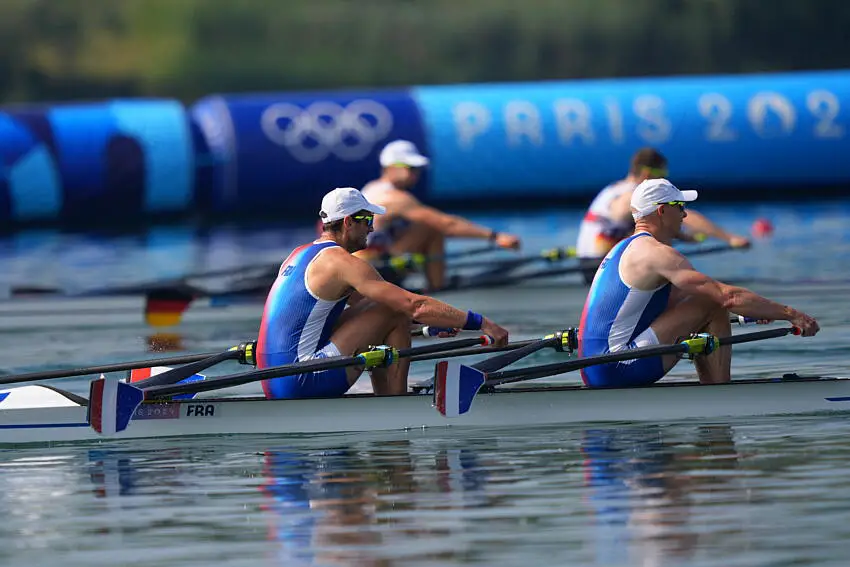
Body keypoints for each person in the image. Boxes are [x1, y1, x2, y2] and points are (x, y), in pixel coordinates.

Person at [256, 187, 510, 400]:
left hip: (271, 380)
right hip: (301, 380)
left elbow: (370, 313)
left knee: (389, 311)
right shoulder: (341, 263)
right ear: (348, 222)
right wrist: (481, 323)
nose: (371, 229)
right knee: (395, 309)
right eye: (367, 220)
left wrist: (429, 326)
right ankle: (393, 404)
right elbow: (413, 305)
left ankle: (388, 400)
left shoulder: (297, 255)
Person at [578, 178, 819, 388]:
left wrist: (758, 311)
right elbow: (727, 297)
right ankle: (717, 394)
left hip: (596, 368)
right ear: (662, 211)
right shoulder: (656, 253)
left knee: (707, 302)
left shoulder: (623, 248)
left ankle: (714, 388)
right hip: (616, 367)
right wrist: (790, 314)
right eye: (680, 206)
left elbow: (674, 303)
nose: (684, 214)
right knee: (712, 302)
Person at [359, 139, 522, 290]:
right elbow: (447, 225)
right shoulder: (394, 198)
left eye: (417, 169)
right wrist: (495, 236)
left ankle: (432, 280)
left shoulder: (373, 187)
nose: (416, 174)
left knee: (423, 227)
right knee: (432, 228)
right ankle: (437, 287)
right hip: (371, 268)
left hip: (369, 262)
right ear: (391, 167)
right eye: (411, 168)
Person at [575, 147, 751, 285]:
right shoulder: (633, 194)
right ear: (646, 174)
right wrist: (730, 239)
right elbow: (687, 216)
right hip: (603, 266)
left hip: (589, 264)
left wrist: (681, 235)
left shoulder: (612, 188)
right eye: (661, 176)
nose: (664, 181)